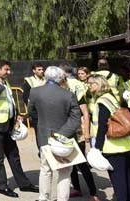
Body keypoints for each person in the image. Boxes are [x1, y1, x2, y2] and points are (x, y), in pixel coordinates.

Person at [0, 59, 38, 198]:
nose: (9, 72)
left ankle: (23, 184)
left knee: (14, 155)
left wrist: (16, 114)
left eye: (9, 70)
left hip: (7, 123)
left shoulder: (4, 81)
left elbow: (9, 100)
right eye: (6, 69)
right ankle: (2, 186)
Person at [28, 66, 81, 201]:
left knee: (45, 169)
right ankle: (62, 199)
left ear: (46, 76)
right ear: (61, 78)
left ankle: (43, 197)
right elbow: (75, 120)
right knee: (64, 171)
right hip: (65, 139)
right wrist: (60, 134)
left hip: (44, 135)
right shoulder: (69, 95)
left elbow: (32, 112)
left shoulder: (35, 92)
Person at [87, 74, 130, 201]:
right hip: (125, 143)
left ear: (99, 84)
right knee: (127, 177)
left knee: (118, 180)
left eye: (91, 83)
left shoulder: (101, 101)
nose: (88, 86)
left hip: (112, 146)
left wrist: (97, 147)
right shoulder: (110, 97)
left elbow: (102, 126)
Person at [62, 65, 99, 201]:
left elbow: (86, 114)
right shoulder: (61, 96)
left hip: (79, 133)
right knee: (70, 163)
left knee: (82, 163)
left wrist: (87, 133)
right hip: (66, 132)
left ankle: (93, 192)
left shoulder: (77, 95)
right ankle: (77, 189)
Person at [22, 62, 45, 132]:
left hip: (47, 110)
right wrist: (32, 110)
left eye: (42, 69)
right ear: (34, 71)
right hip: (36, 112)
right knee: (39, 133)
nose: (42, 71)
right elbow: (25, 97)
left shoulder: (46, 80)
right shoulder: (29, 81)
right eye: (39, 69)